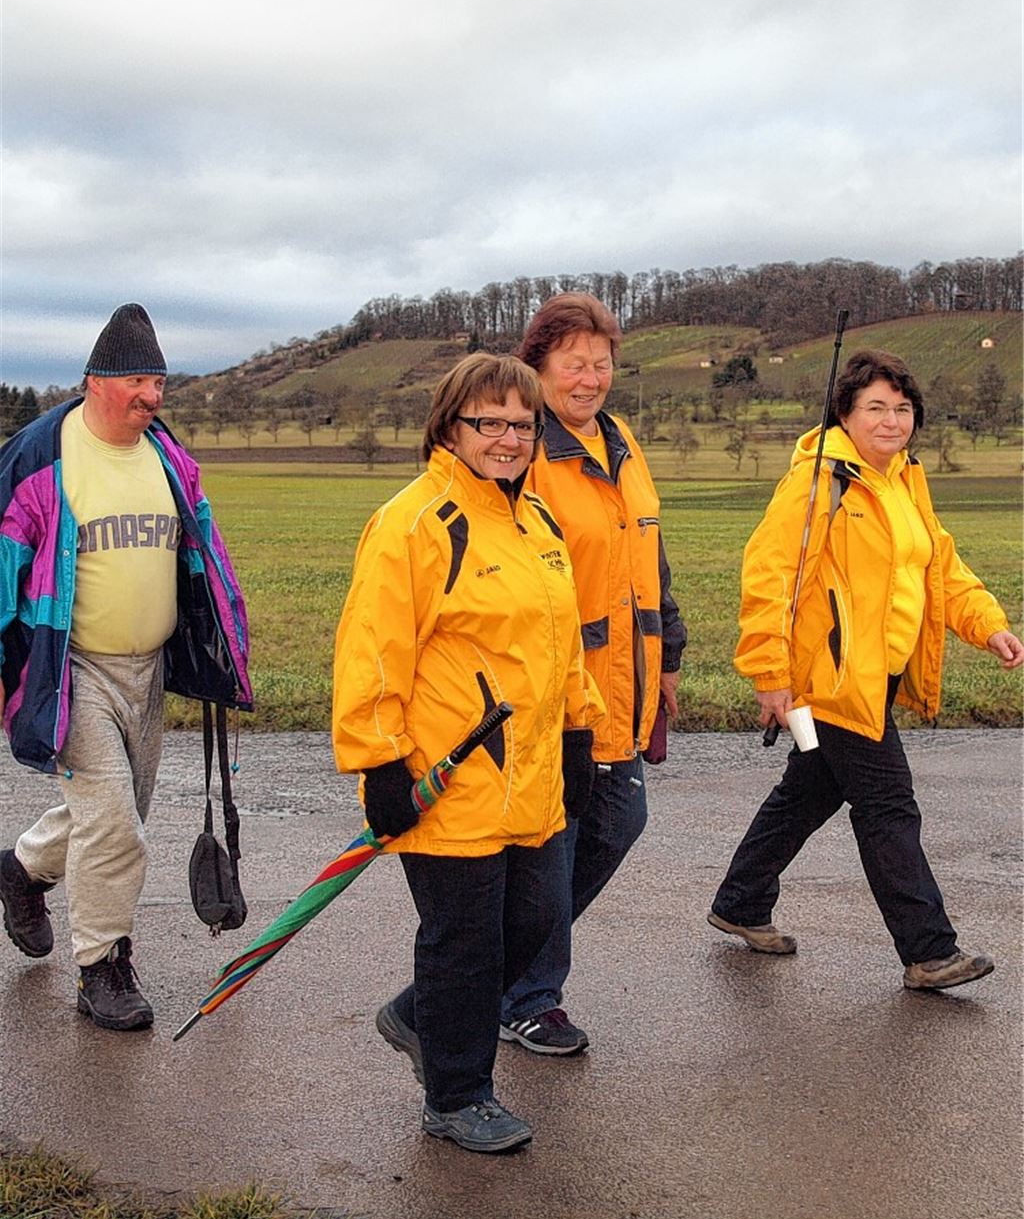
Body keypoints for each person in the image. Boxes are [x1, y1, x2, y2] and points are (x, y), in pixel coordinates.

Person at [332, 353, 604, 1153]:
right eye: (491, 422)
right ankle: (456, 1096)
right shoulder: (414, 523)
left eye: (524, 424)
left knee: (537, 921)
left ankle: (422, 1013)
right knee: (467, 941)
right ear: (451, 426)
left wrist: (581, 730)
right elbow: (372, 651)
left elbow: (566, 646)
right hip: (445, 778)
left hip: (534, 777)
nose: (510, 438)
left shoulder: (539, 523)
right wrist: (379, 763)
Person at [708, 348, 1023, 990]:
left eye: (902, 408)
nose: (891, 420)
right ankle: (929, 950)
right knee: (887, 806)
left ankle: (739, 903)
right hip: (832, 679)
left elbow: (940, 565)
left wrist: (987, 623)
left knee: (808, 793)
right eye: (875, 407)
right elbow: (769, 577)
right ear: (844, 413)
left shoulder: (904, 480)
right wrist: (768, 671)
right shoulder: (821, 480)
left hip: (878, 674)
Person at [0, 304, 252, 1029]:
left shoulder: (169, 458)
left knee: (117, 812)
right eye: (139, 379)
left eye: (159, 381)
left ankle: (22, 867)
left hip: (147, 670)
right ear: (95, 381)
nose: (152, 395)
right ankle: (102, 967)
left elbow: (205, 555)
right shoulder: (40, 456)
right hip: (68, 666)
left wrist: (226, 640)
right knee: (114, 824)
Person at [498, 293, 687, 1056]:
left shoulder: (622, 442)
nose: (589, 378)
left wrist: (668, 654)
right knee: (557, 841)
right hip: (558, 691)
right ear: (537, 367)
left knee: (618, 822)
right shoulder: (525, 451)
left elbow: (651, 559)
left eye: (601, 363)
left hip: (626, 681)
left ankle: (501, 968)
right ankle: (529, 994)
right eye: (572, 363)